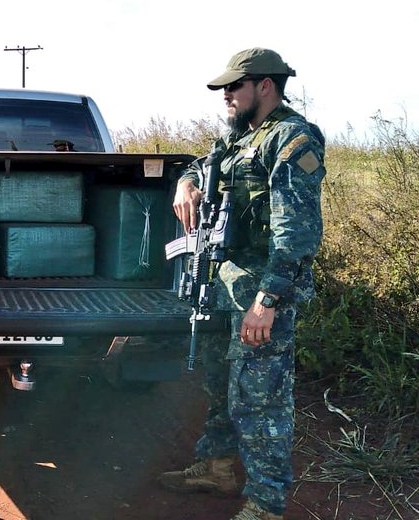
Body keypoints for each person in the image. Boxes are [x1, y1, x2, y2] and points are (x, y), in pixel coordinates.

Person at [159, 48, 325, 520]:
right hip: (224, 285)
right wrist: (185, 184)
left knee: (261, 400)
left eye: (234, 87)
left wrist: (268, 301)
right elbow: (201, 164)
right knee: (219, 385)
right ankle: (216, 467)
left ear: (265, 86)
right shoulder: (239, 139)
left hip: (260, 293)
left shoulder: (292, 140)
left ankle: (266, 503)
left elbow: (298, 233)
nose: (226, 96)